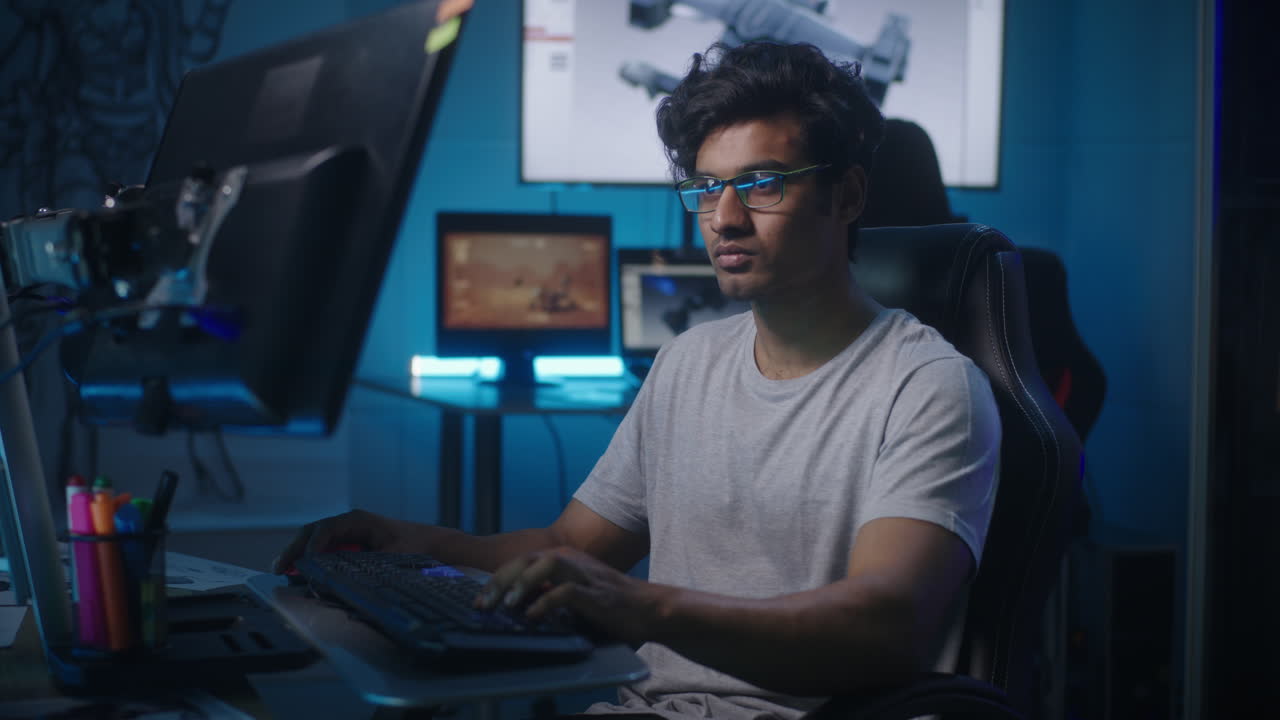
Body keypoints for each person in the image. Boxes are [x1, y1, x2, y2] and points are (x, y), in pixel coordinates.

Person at [275, 41, 1001, 720]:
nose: (725, 219)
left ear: (846, 196)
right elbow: (570, 547)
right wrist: (404, 541)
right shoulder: (689, 362)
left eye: (763, 184)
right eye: (708, 188)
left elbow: (885, 627)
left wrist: (641, 606)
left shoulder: (928, 387)